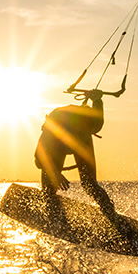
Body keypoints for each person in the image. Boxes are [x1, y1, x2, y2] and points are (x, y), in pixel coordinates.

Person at [34, 89, 116, 217]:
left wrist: (97, 99)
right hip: (58, 144)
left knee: (90, 184)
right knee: (49, 180)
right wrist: (55, 173)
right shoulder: (51, 131)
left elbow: (97, 118)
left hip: (82, 143)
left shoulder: (92, 124)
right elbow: (39, 160)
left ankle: (110, 213)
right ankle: (48, 204)